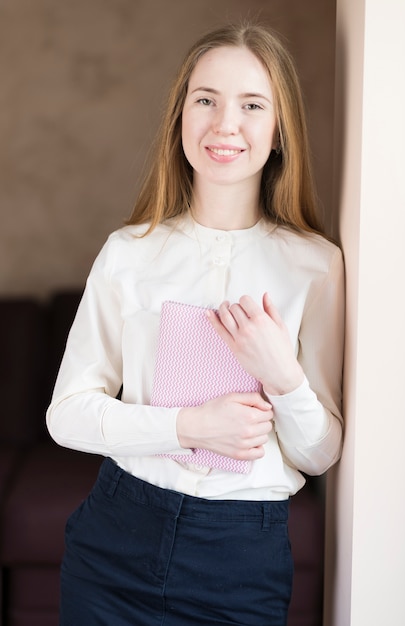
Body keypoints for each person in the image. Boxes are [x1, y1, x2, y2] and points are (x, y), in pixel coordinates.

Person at [47, 21, 345, 626]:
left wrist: (282, 376)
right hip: (115, 540)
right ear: (180, 116)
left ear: (280, 128)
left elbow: (319, 454)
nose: (224, 124)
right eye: (205, 99)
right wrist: (188, 426)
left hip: (241, 557)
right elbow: (67, 415)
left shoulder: (316, 266)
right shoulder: (129, 251)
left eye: (252, 105)